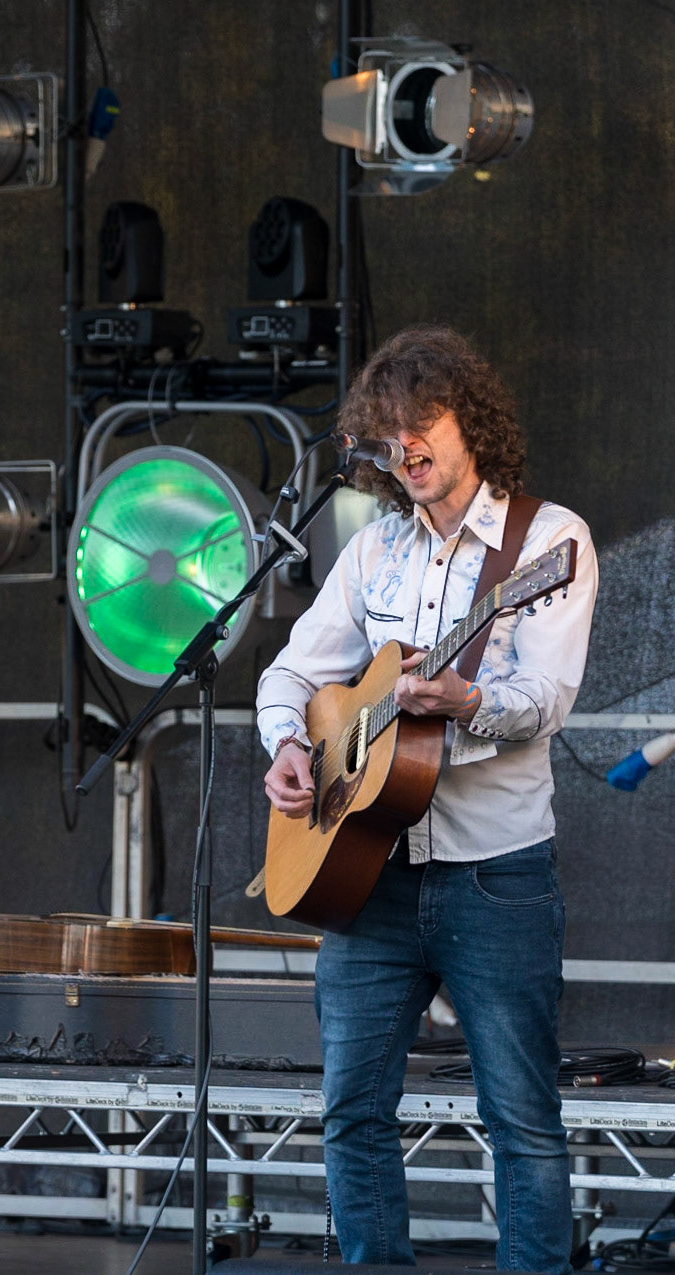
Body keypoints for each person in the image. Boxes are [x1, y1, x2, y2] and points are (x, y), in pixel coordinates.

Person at [258, 327, 596, 1273]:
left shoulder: (548, 541)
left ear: (471, 425)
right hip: (368, 878)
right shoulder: (372, 552)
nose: (404, 446)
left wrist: (467, 701)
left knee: (521, 1119)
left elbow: (544, 701)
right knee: (350, 1113)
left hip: (496, 876)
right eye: (387, 432)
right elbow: (289, 675)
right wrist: (288, 743)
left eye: (424, 424)